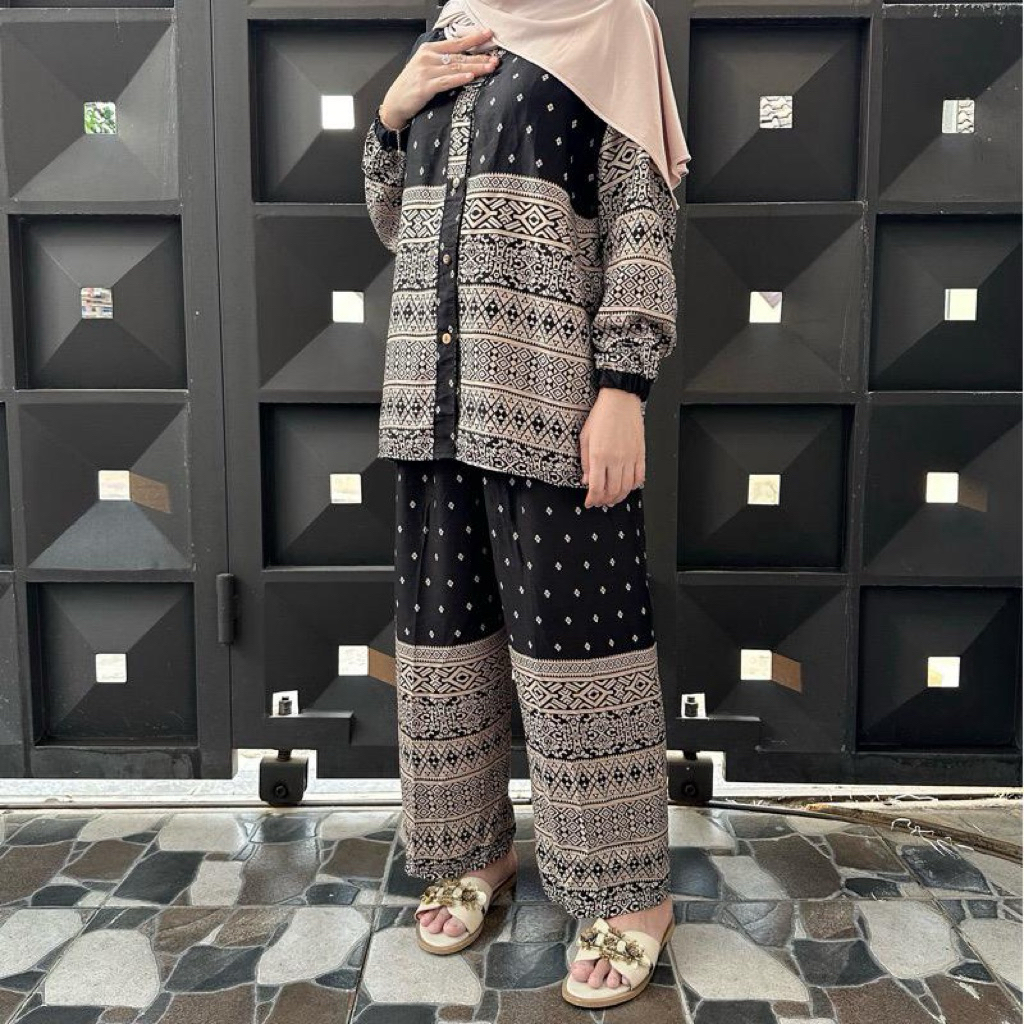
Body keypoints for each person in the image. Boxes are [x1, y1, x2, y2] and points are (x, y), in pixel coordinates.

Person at [361, 0, 691, 1008]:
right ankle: (474, 851)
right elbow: (395, 221)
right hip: (430, 398)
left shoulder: (611, 22)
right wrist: (391, 116)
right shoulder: (453, 25)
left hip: (549, 398)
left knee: (581, 654)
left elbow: (641, 218)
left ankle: (630, 896)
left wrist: (623, 388)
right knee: (444, 645)